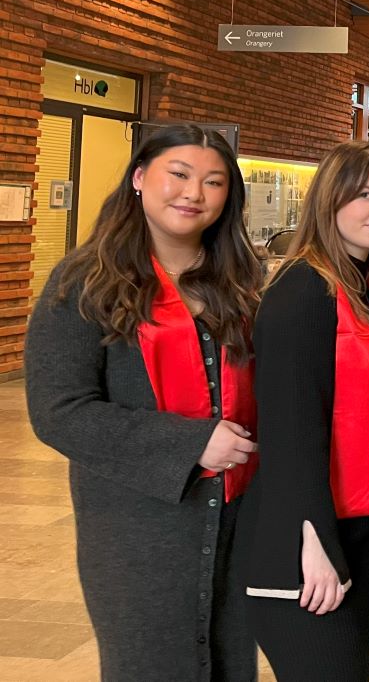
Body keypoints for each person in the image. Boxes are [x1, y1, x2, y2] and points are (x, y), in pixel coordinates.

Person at [25, 122, 262, 681]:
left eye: (214, 182)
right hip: (137, 528)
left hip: (238, 520)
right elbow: (59, 410)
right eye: (178, 174)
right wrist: (191, 441)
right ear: (138, 178)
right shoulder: (85, 282)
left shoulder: (238, 282)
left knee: (232, 664)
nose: (194, 193)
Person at [235, 141, 369, 682]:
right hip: (310, 537)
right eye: (364, 195)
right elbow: (290, 431)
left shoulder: (363, 287)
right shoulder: (303, 290)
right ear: (330, 199)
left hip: (366, 534)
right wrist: (312, 540)